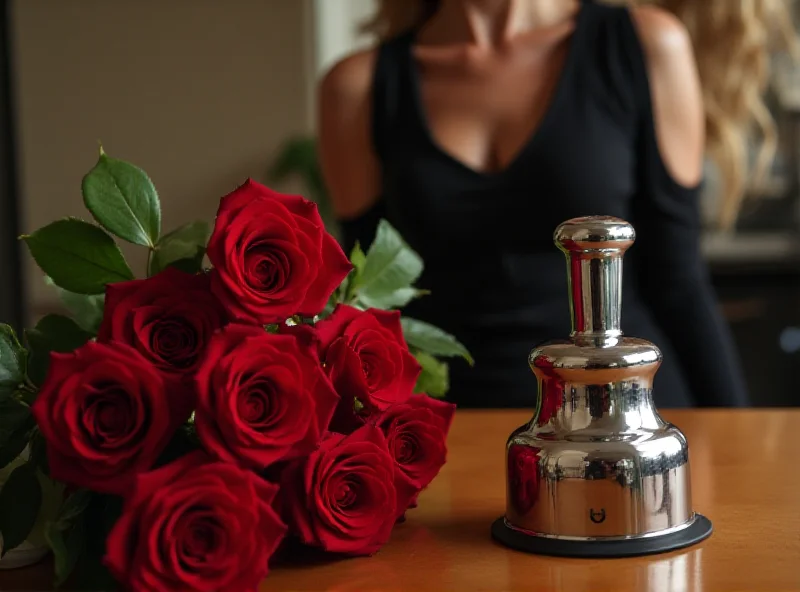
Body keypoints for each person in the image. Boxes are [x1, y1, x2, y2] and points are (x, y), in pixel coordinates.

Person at [318, 0, 794, 408]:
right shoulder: (358, 87)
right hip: (448, 433)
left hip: (629, 424)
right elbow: (367, 309)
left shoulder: (643, 45)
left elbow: (679, 284)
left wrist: (741, 439)